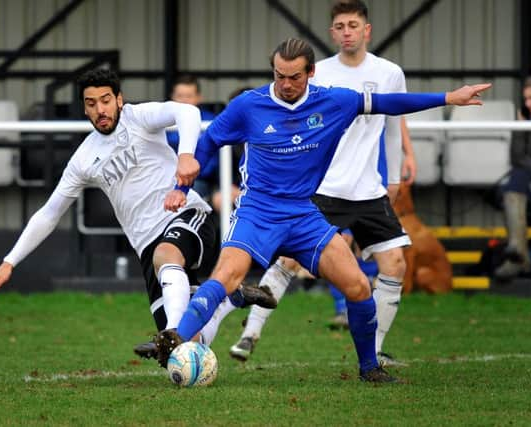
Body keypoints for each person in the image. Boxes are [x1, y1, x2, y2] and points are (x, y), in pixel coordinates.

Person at [152, 37, 490, 383]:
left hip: (304, 216)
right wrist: (183, 185)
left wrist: (448, 98)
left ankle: (369, 368)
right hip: (258, 213)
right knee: (223, 278)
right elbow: (208, 142)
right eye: (279, 75)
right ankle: (173, 341)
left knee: (359, 286)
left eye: (294, 77)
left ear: (311, 72)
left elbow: (389, 103)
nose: (285, 84)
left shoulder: (334, 101)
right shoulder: (248, 105)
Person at [0, 68, 276, 358]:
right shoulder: (83, 159)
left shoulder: (139, 117)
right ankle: (225, 302)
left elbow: (187, 113)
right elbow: (49, 213)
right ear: (85, 109)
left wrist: (186, 155)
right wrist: (10, 261)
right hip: (145, 245)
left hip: (187, 217)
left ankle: (172, 332)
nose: (100, 109)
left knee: (168, 268)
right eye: (91, 103)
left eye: (106, 100)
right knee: (186, 351)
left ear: (119, 99)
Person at [230, 0, 416, 366]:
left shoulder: (390, 72)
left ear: (367, 30)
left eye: (353, 25)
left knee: (395, 263)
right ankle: (249, 334)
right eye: (340, 26)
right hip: (321, 187)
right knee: (288, 260)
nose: (347, 31)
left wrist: (393, 177)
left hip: (367, 189)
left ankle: (373, 352)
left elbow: (393, 127)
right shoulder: (316, 74)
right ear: (333, 33)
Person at [494, 75, 531, 280]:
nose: (528, 104)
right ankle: (519, 251)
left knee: (515, 180)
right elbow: (516, 157)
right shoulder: (527, 120)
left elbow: (525, 162)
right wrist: (521, 127)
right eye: (526, 99)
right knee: (515, 178)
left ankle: (518, 253)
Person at [167, 75, 220, 198]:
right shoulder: (163, 122)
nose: (184, 100)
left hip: (198, 180)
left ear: (199, 98)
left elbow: (214, 162)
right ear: (172, 97)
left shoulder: (211, 122)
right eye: (180, 96)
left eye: (189, 96)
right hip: (164, 179)